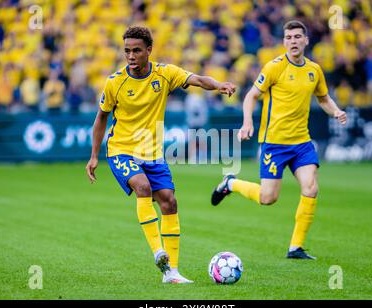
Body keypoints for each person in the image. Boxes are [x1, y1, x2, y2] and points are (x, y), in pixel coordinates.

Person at [86, 26, 236, 283]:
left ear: (148, 50)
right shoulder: (115, 82)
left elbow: (198, 79)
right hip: (121, 150)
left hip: (152, 154)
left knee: (169, 202)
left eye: (136, 50)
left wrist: (219, 85)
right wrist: (94, 155)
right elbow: (101, 117)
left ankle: (172, 273)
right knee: (142, 187)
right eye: (127, 51)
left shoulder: (165, 74)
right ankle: (158, 252)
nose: (131, 56)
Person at [211, 20, 347, 260]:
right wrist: (247, 122)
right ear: (284, 42)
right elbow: (251, 96)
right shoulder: (274, 67)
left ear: (306, 40)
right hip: (274, 143)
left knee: (311, 188)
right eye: (288, 38)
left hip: (302, 143)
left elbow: (323, 98)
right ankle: (230, 183)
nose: (293, 41)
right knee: (268, 198)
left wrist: (335, 111)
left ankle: (296, 247)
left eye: (297, 37)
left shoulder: (314, 70)